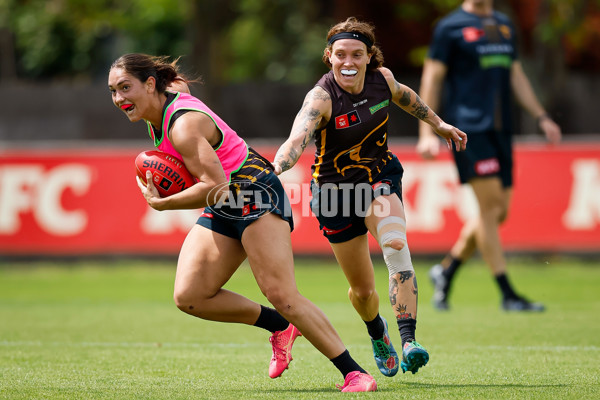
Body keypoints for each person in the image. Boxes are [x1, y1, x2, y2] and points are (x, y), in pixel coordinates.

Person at [107, 53, 377, 392]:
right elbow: (177, 86)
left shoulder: (182, 126)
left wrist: (162, 204)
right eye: (113, 91)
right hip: (227, 203)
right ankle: (280, 326)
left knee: (283, 294)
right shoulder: (158, 106)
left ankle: (354, 373)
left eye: (125, 87)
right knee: (190, 296)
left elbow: (216, 188)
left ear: (150, 84)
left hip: (255, 194)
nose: (119, 98)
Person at [273, 18, 467, 378]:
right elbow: (297, 138)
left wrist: (438, 125)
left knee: (395, 243)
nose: (349, 61)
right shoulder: (321, 97)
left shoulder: (383, 79)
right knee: (362, 292)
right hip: (334, 195)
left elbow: (408, 98)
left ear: (368, 57)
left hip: (379, 178)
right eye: (341, 54)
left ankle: (409, 341)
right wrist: (276, 168)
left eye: (357, 54)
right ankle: (378, 333)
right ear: (329, 56)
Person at [417, 0, 562, 312]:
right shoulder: (449, 27)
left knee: (497, 212)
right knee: (489, 208)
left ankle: (446, 270)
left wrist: (541, 116)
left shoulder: (503, 24)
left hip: (501, 128)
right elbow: (432, 77)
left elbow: (516, 74)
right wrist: (427, 131)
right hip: (468, 130)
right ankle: (507, 293)